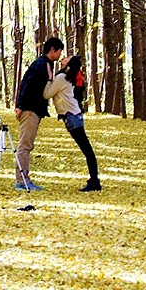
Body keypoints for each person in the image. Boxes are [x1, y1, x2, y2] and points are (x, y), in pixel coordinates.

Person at [13, 36, 64, 191]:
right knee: (25, 145)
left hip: (35, 109)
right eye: (59, 51)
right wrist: (20, 106)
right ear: (52, 50)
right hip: (29, 110)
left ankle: (24, 178)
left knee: (28, 145)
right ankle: (22, 181)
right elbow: (26, 84)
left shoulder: (47, 65)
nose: (60, 55)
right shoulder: (40, 65)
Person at [45, 55, 101, 191]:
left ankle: (95, 181)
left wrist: (48, 79)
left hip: (72, 117)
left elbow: (47, 94)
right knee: (87, 149)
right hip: (74, 115)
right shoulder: (66, 77)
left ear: (68, 64)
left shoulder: (61, 78)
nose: (63, 58)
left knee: (87, 149)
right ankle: (94, 180)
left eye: (66, 58)